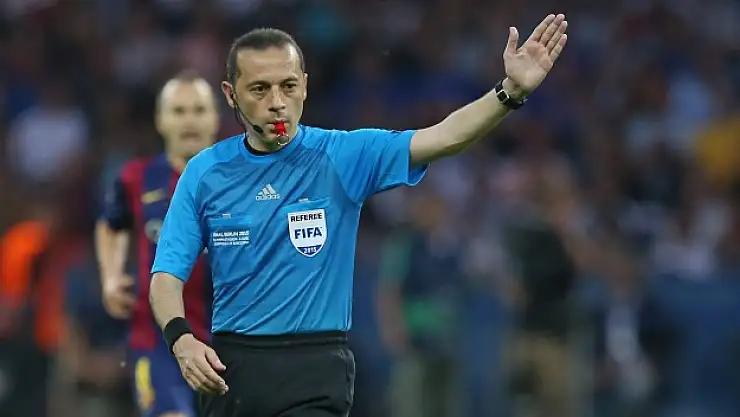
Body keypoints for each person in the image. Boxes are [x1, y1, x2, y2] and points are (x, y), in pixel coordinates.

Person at [150, 15, 568, 417]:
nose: (277, 103)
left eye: (288, 86)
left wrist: (509, 92)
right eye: (259, 89)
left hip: (316, 367)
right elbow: (166, 276)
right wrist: (181, 339)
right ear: (230, 94)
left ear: (305, 86)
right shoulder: (205, 173)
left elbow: (444, 137)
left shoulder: (342, 155)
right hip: (231, 369)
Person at [95, 70, 220, 417]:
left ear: (215, 117)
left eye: (198, 110)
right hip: (157, 343)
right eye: (178, 111)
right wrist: (111, 276)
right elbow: (111, 224)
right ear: (160, 120)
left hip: (230, 342)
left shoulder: (240, 180)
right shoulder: (137, 178)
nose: (189, 120)